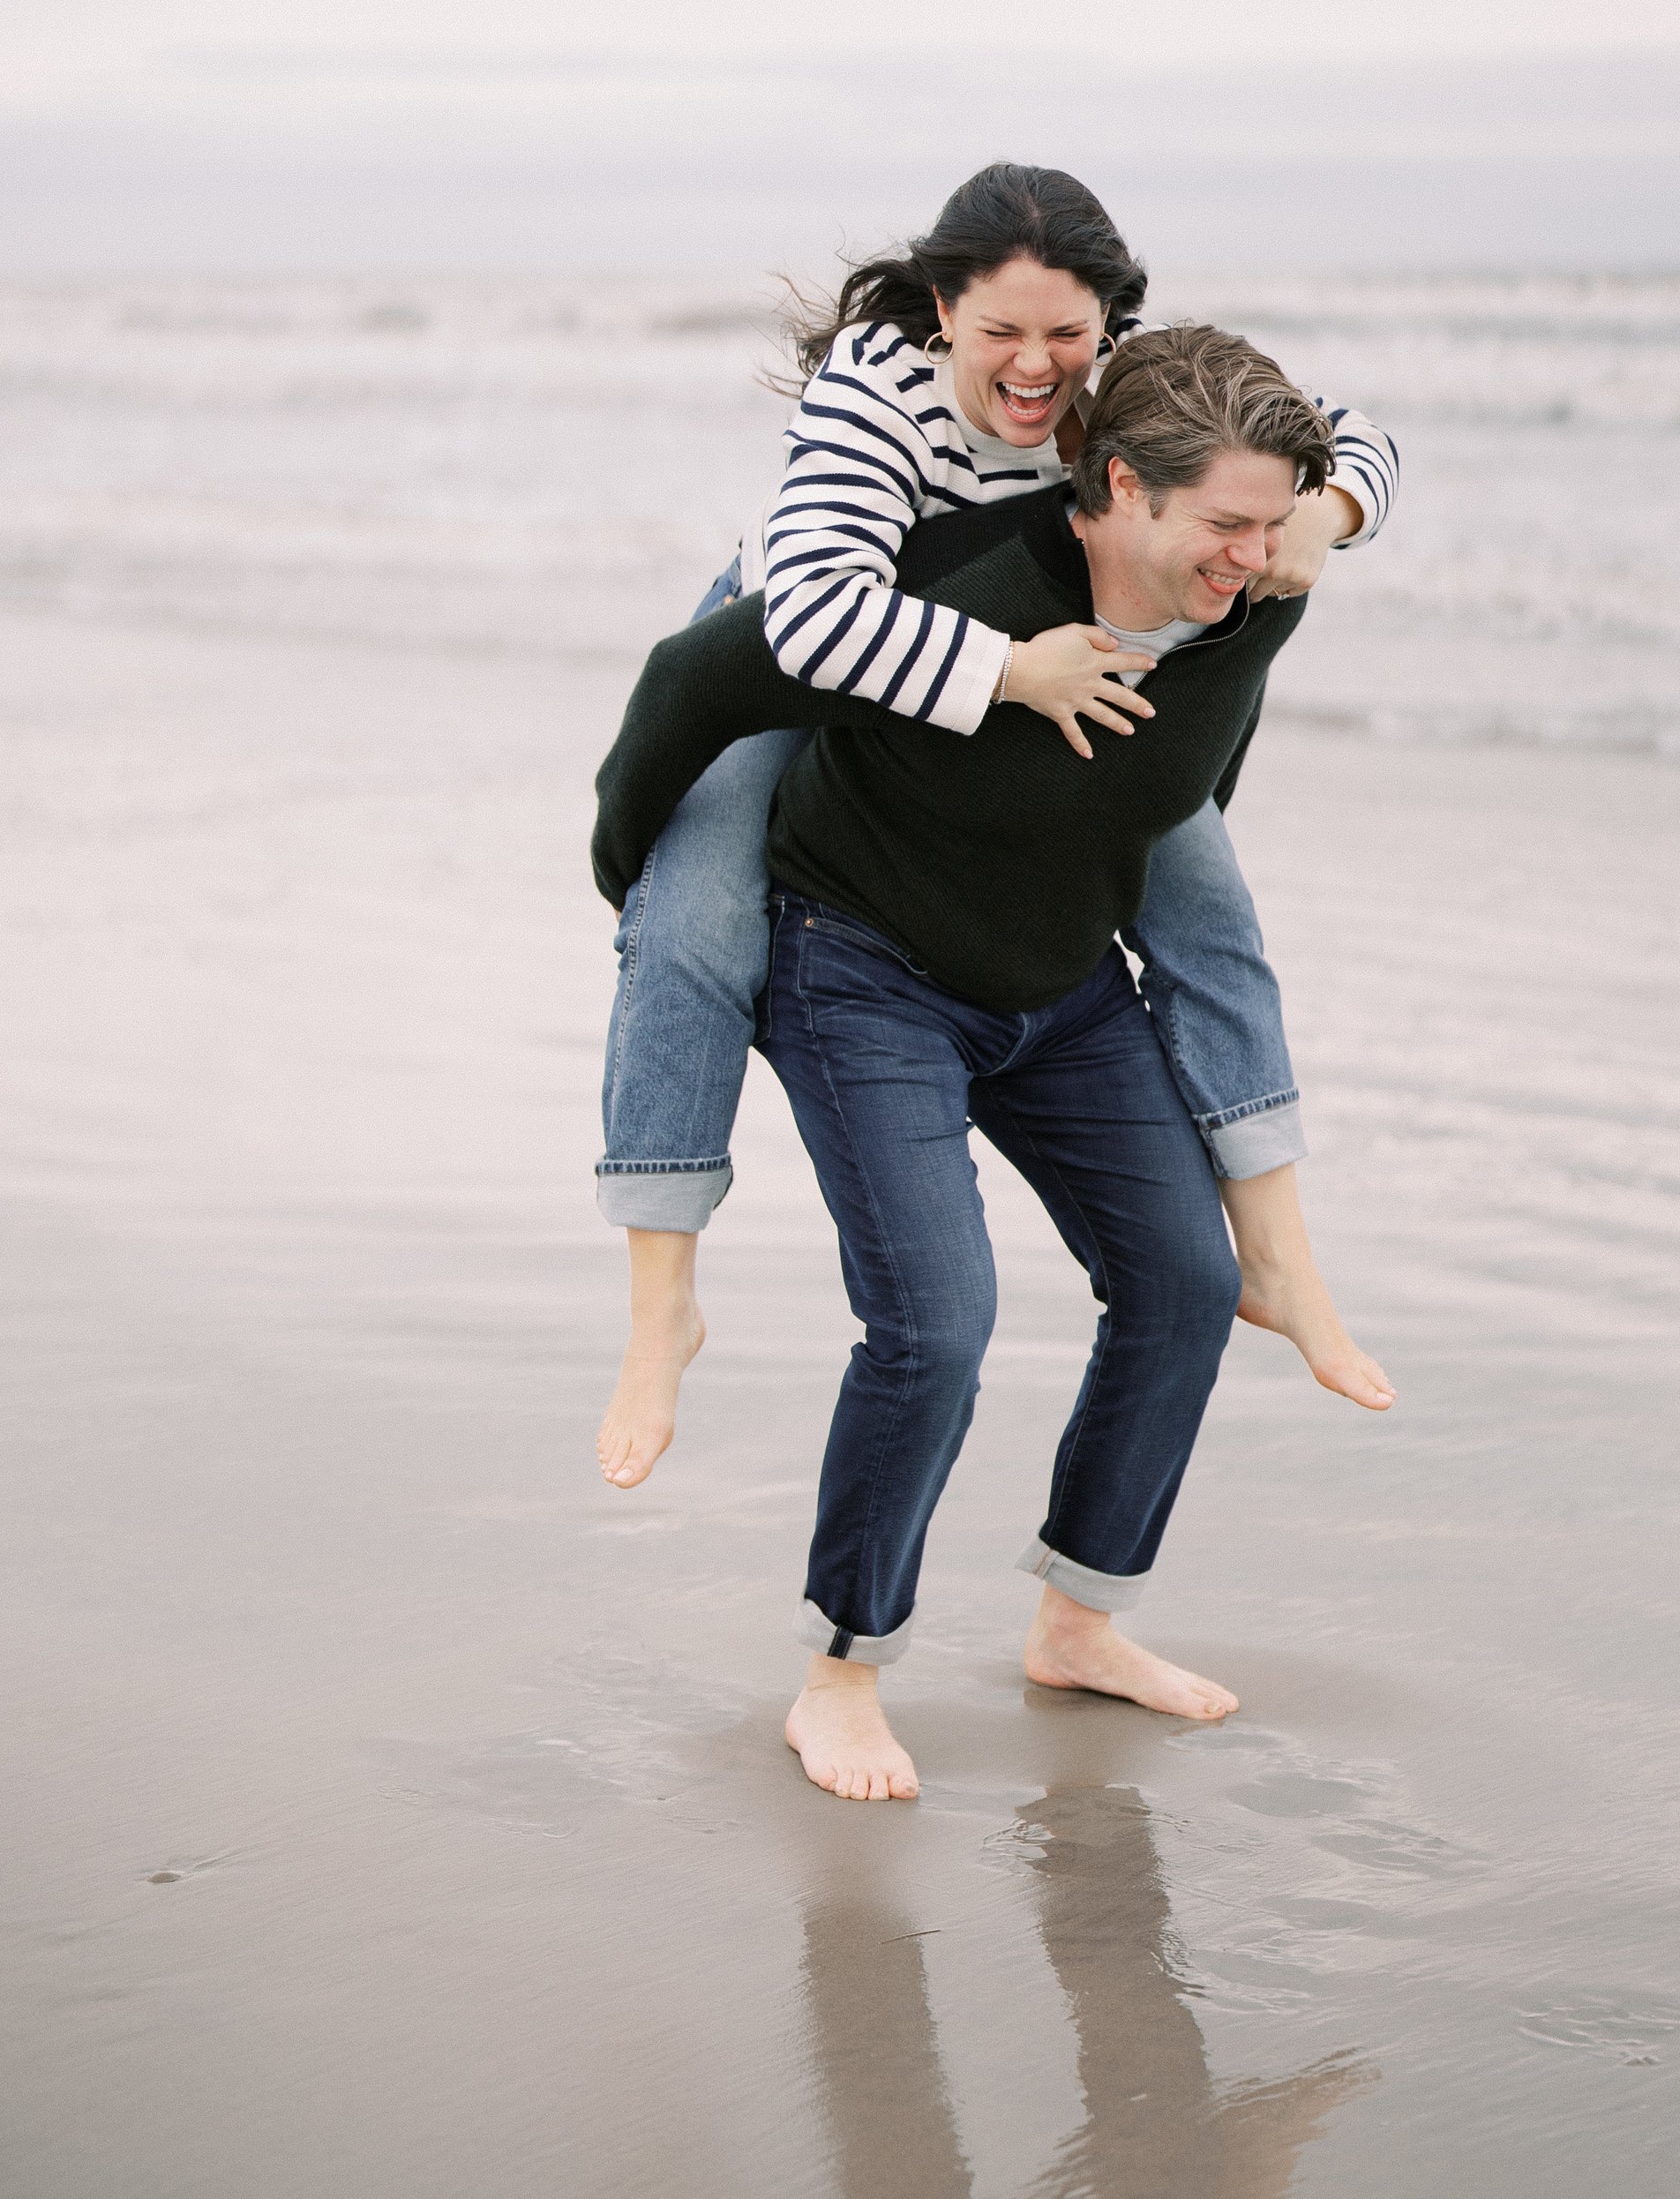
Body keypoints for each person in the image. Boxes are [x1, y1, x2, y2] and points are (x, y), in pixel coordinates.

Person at [592, 325, 1393, 1801]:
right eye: (1225, 524)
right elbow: (701, 674)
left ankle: (1080, 1620)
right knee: (937, 1325)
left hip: (1062, 985)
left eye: (1276, 523)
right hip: (867, 974)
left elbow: (1364, 470)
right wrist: (635, 865)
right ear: (1115, 489)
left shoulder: (1267, 573)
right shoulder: (944, 584)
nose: (1255, 556)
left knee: (1185, 1281)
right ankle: (841, 1669)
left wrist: (1326, 515)